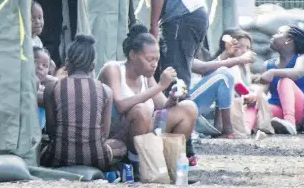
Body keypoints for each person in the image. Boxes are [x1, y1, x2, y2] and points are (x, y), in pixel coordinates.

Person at [98, 24, 198, 170]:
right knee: (142, 109)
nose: (154, 64)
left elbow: (162, 106)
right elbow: (120, 105)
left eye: (156, 60)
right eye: (149, 59)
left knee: (188, 108)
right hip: (117, 136)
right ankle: (137, 165)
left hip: (144, 133)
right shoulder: (113, 69)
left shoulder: (146, 76)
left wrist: (173, 98)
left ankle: (171, 161)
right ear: (133, 55)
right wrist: (160, 86)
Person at [40, 35, 127, 170]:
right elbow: (104, 133)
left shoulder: (52, 88)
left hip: (58, 158)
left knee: (44, 146)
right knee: (121, 146)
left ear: (67, 63)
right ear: (92, 66)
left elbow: (52, 130)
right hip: (96, 159)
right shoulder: (106, 91)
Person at [247, 25, 304, 135]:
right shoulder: (267, 65)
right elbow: (262, 91)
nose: (273, 36)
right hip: (277, 108)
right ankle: (246, 129)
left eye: (278, 33)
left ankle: (291, 123)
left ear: (288, 40)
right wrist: (253, 97)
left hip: (301, 108)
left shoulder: (302, 58)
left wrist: (273, 73)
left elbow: (297, 73)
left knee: (285, 81)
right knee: (257, 108)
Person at [189, 32, 256, 137]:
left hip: (196, 105)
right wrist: (239, 59)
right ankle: (227, 128)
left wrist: (226, 54)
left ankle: (226, 127)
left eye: (247, 48)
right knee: (224, 75)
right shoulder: (179, 47)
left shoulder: (199, 50)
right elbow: (203, 69)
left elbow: (207, 70)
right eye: (241, 47)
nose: (244, 51)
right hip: (182, 104)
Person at [34, 46, 57, 129]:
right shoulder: (24, 86)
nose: (40, 67)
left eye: (45, 65)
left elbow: (56, 82)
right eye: (35, 62)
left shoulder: (43, 87)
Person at [31, 0, 56, 75]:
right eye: (32, 19)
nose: (37, 21)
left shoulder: (37, 40)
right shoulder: (25, 41)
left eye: (40, 18)